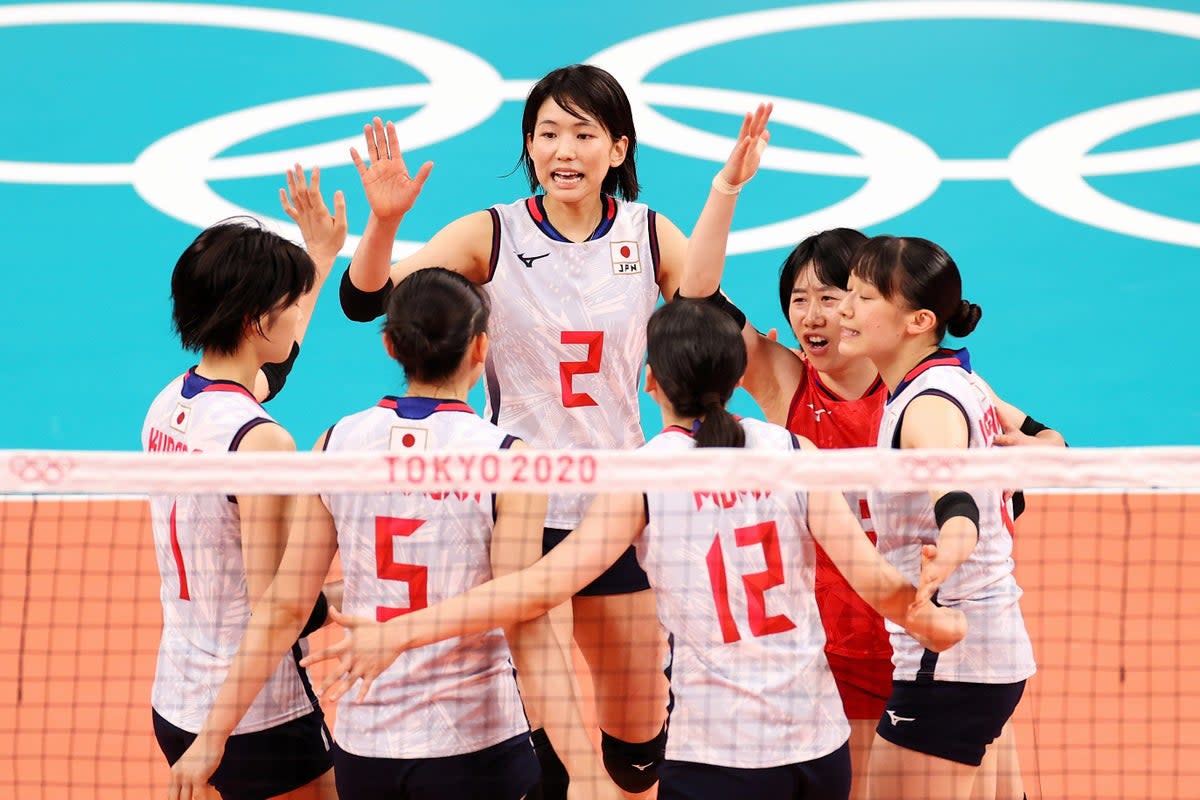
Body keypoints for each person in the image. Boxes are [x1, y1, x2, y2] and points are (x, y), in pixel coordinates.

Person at [301, 298, 968, 800]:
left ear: (652, 382)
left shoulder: (643, 476)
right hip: (816, 749)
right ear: (737, 381)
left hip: (716, 757)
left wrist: (400, 632)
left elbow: (533, 590)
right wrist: (929, 616)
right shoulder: (795, 455)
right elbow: (877, 585)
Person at [337, 63, 700, 794]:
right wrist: (382, 223)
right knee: (541, 742)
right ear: (530, 147)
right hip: (518, 508)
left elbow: (713, 326)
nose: (563, 151)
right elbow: (366, 299)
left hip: (617, 509)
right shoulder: (492, 233)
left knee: (638, 743)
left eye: (583, 134)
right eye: (547, 134)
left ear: (618, 150)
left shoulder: (651, 234)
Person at [679, 108, 1059, 800]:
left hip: (942, 633)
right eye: (801, 299)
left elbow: (1037, 442)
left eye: (839, 296)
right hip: (848, 646)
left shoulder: (934, 388)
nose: (819, 315)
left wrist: (1031, 459)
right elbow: (697, 295)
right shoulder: (787, 381)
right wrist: (727, 187)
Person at [165, 267, 618, 800]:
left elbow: (284, 608)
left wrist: (211, 737)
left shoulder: (336, 443)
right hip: (474, 746)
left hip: (367, 749)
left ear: (389, 346)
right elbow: (527, 622)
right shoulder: (508, 462)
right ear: (480, 349)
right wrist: (584, 770)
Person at [143, 167, 347, 800]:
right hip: (254, 716)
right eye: (289, 300)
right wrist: (349, 597)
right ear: (259, 321)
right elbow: (275, 605)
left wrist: (319, 255)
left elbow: (270, 371)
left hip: (176, 698)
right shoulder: (262, 441)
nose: (296, 309)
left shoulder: (171, 403)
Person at [835, 235, 1037, 799]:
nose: (843, 309)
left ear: (918, 320)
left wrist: (949, 549)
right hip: (983, 648)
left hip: (951, 659)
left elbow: (954, 500)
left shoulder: (926, 406)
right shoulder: (961, 379)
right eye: (847, 292)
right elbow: (1043, 437)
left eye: (865, 298)